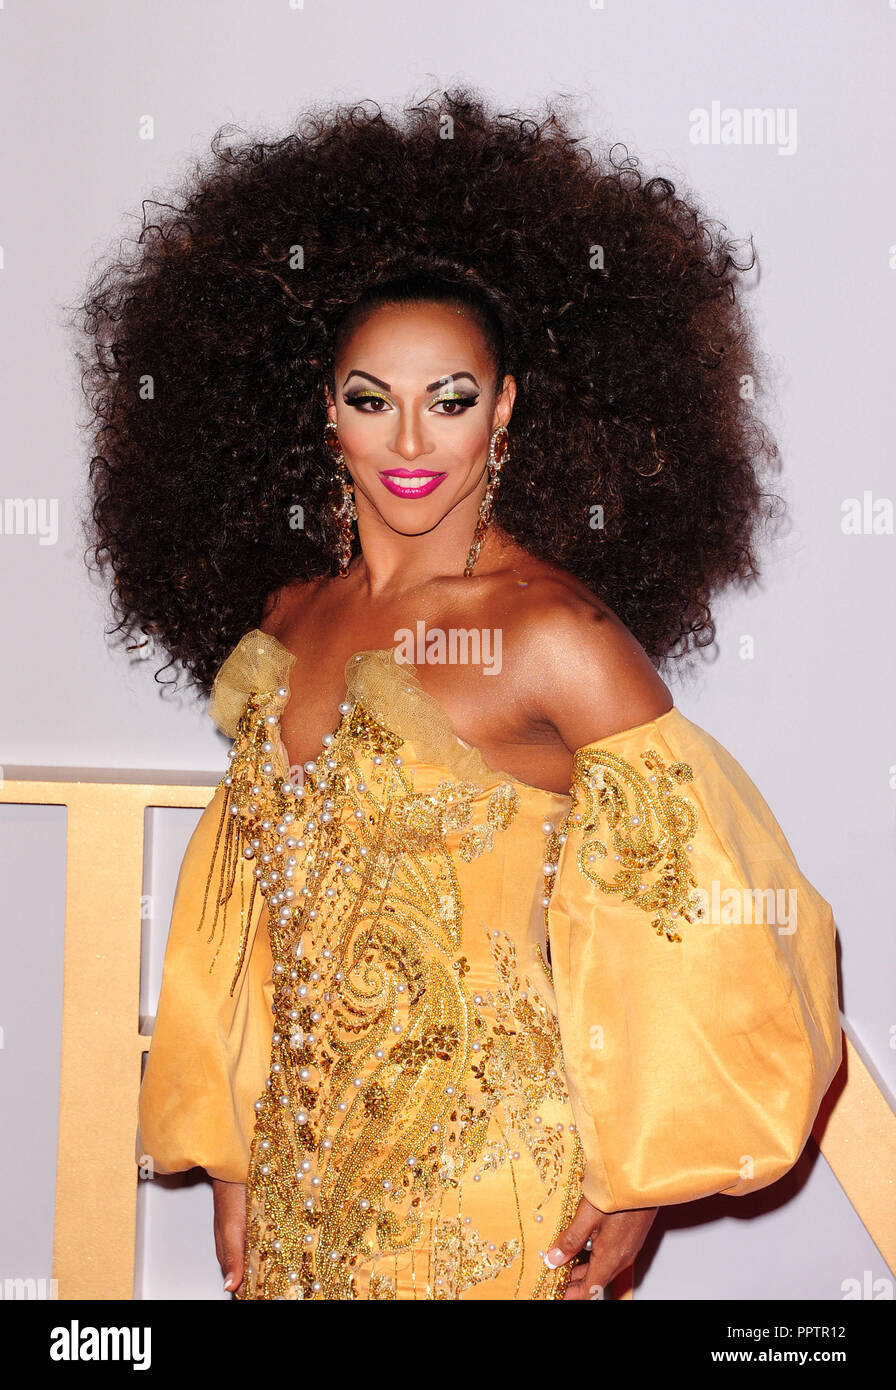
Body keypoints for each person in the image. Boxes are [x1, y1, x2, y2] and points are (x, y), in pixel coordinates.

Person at [78, 89, 842, 1300]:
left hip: (491, 1184)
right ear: (326, 414)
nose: (409, 437)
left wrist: (636, 1177)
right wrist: (233, 1157)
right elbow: (241, 923)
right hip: (299, 1174)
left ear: (505, 410)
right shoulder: (282, 625)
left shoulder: (555, 634)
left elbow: (702, 914)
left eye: (450, 396)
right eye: (371, 396)